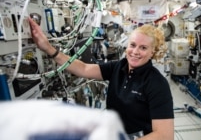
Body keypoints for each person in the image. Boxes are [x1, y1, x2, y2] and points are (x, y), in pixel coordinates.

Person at [28, 18, 174, 140]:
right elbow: (83, 68)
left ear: (152, 52)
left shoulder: (156, 83)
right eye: (133, 45)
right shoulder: (118, 67)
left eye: (143, 48)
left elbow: (164, 135)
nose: (135, 52)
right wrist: (48, 49)